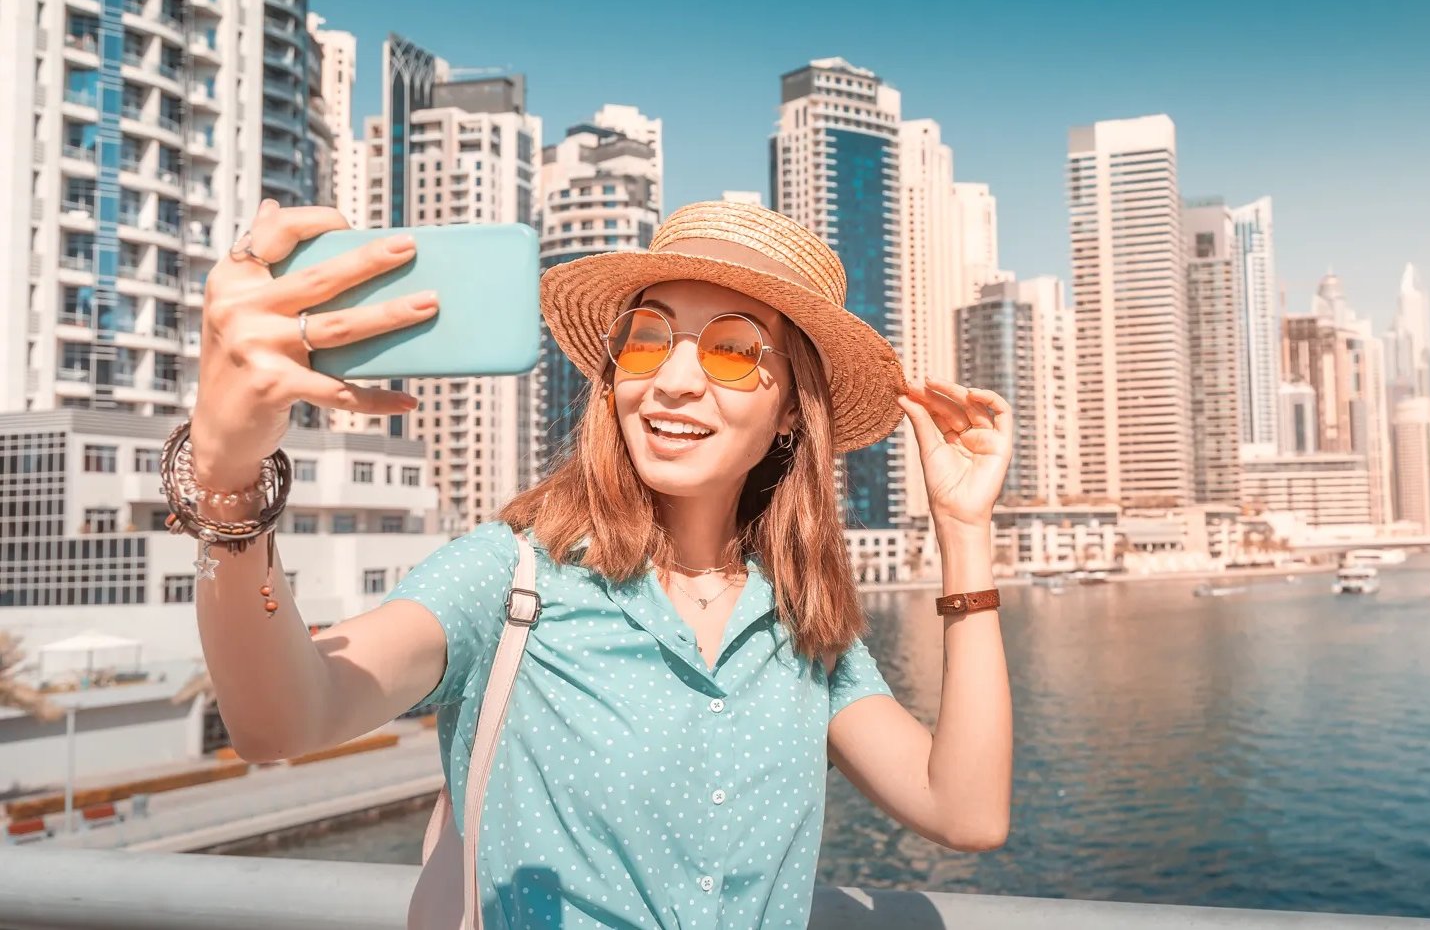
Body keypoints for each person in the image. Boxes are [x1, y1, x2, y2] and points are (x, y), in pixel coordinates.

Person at [184, 198, 1014, 928]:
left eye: (732, 351)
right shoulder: (513, 577)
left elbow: (965, 811)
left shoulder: (803, 624)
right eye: (647, 340)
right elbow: (284, 718)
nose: (673, 381)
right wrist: (225, 477)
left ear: (792, 410)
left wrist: (964, 529)